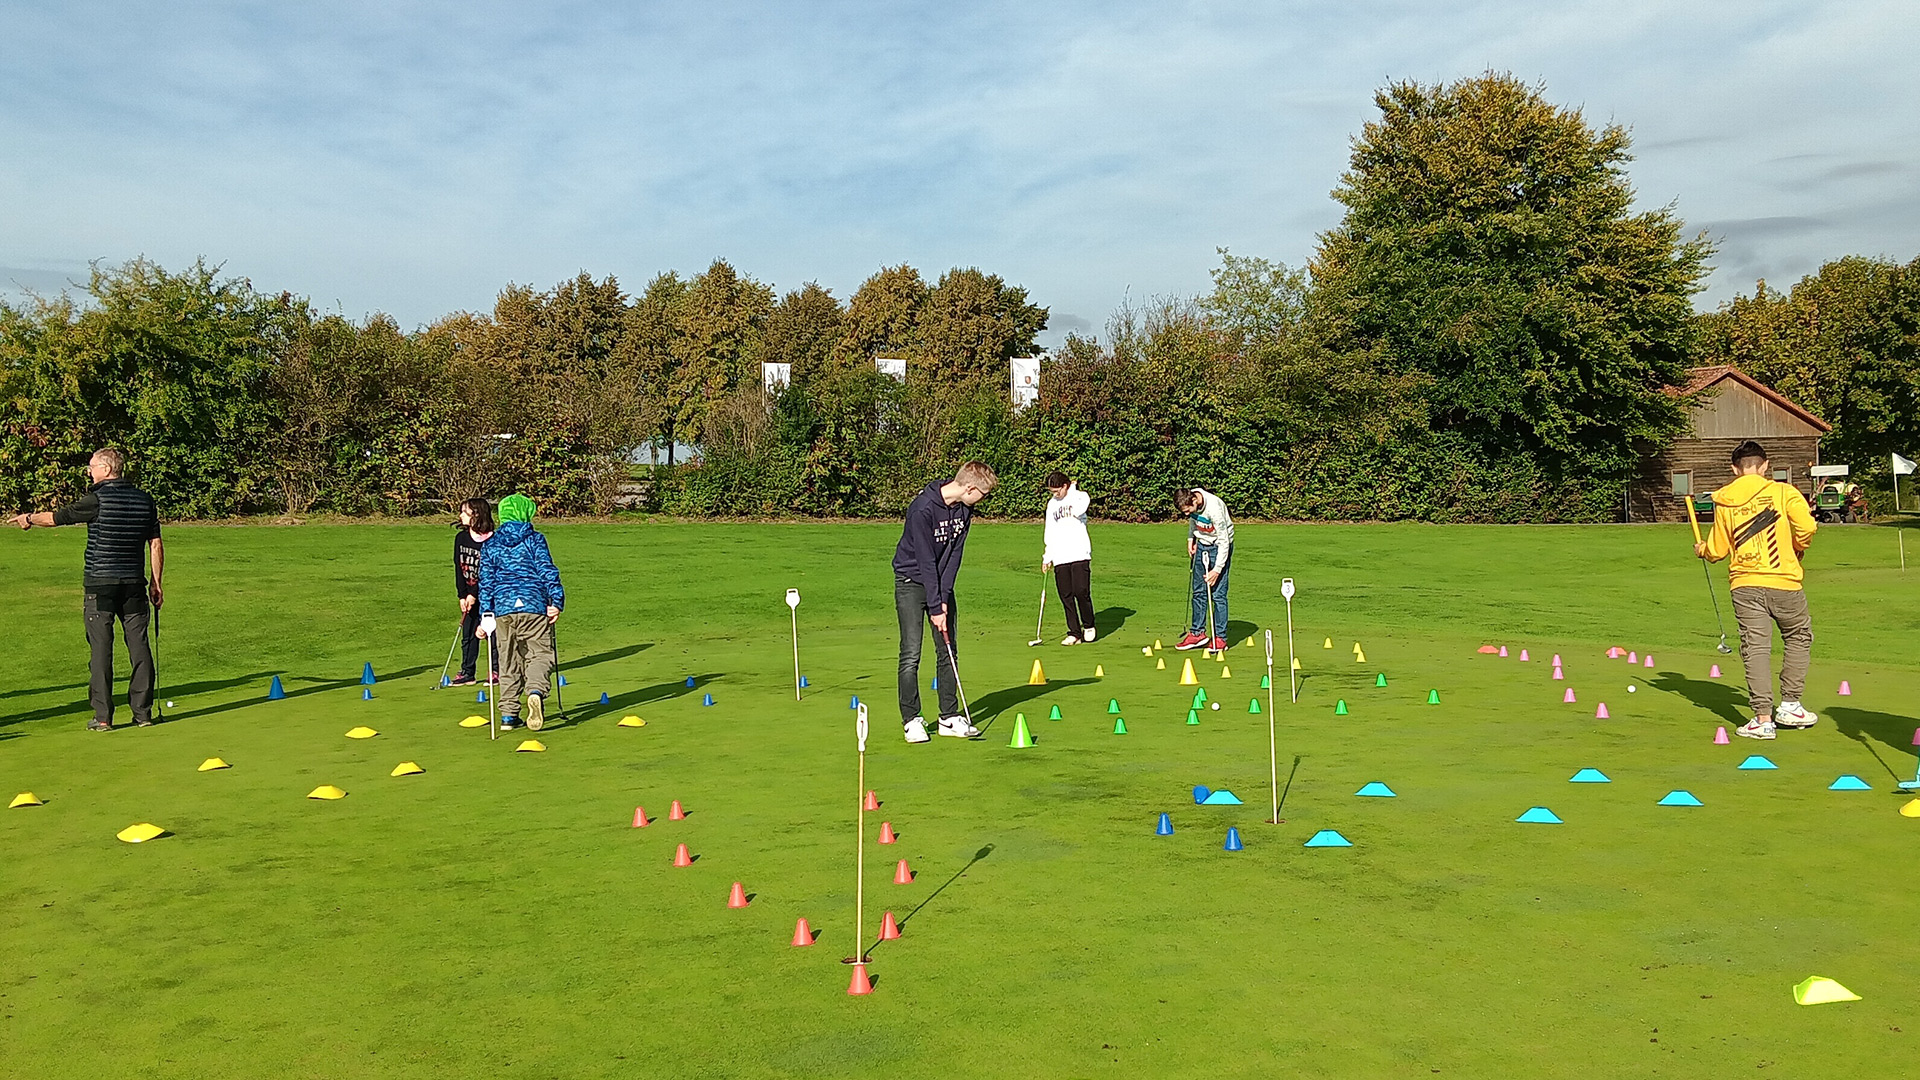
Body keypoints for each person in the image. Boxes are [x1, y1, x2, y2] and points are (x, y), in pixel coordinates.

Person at [8, 448, 164, 730]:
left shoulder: (97, 499)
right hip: (134, 584)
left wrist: (28, 518)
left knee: (101, 650)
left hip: (100, 584)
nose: (89, 471)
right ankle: (143, 714)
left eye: (92, 466)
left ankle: (103, 717)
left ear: (105, 469)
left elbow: (58, 517)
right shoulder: (145, 500)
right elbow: (155, 543)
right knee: (139, 647)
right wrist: (157, 582)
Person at [1696, 440, 1819, 740]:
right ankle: (1790, 704)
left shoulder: (1724, 500)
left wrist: (1703, 550)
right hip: (1784, 581)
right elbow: (1807, 528)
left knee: (1756, 648)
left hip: (1745, 584)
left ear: (1735, 469)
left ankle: (1763, 719)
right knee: (1798, 636)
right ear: (1764, 466)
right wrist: (1797, 546)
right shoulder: (1783, 491)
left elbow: (1718, 548)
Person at [893, 461, 997, 743]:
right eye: (982, 495)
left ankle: (948, 717)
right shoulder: (922, 509)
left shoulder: (965, 509)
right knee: (911, 653)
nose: (982, 500)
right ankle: (911, 719)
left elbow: (954, 556)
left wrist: (944, 597)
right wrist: (935, 605)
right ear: (970, 488)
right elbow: (926, 560)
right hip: (910, 582)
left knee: (948, 651)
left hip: (940, 584)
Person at [475, 493, 564, 732]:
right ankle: (535, 691)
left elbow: (485, 582)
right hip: (534, 605)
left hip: (502, 609)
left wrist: (485, 615)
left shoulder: (490, 544)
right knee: (539, 654)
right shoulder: (535, 539)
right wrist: (557, 600)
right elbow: (547, 570)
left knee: (507, 660)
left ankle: (508, 714)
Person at [1173, 486, 1232, 652]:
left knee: (1218, 594)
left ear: (1194, 500)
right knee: (1198, 591)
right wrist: (1191, 538)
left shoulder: (1214, 509)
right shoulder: (1191, 502)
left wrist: (1217, 569)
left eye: (1187, 510)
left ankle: (1220, 638)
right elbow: (1193, 520)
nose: (1186, 514)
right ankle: (1197, 633)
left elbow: (1224, 541)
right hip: (1202, 544)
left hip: (1219, 546)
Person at [1042, 470, 1095, 645]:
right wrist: (1047, 556)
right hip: (1060, 555)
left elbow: (1079, 510)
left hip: (1079, 552)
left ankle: (1088, 624)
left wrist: (1071, 490)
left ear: (1065, 486)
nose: (1055, 495)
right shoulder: (1052, 505)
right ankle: (1074, 632)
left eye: (1057, 491)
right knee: (1066, 594)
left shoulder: (1080, 497)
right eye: (1052, 492)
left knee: (1081, 591)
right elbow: (1050, 530)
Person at [451, 497, 497, 686]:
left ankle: (496, 670)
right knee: (468, 633)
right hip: (468, 594)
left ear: (476, 515)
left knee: (491, 632)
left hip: (489, 594)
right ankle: (467, 671)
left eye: (465, 512)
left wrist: (473, 593)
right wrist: (462, 595)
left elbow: (490, 571)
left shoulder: (494, 540)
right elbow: (458, 567)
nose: (461, 515)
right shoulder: (461, 538)